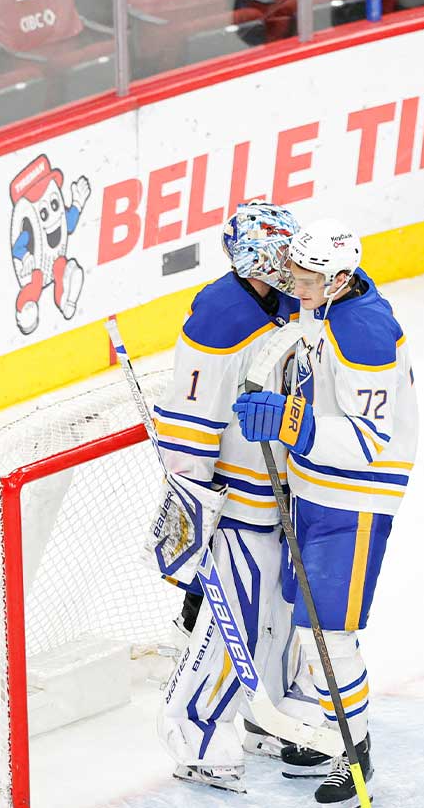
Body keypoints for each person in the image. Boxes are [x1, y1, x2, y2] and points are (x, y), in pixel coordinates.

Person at [232, 219, 419, 806]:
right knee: (312, 627)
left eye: (307, 278)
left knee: (329, 635)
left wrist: (292, 422)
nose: (296, 285)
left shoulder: (364, 333)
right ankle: (334, 730)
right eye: (296, 272)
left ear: (338, 279)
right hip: (315, 489)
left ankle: (354, 752)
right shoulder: (330, 302)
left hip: (354, 501)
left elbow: (371, 440)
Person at [154, 201, 309, 793]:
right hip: (236, 500)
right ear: (259, 259)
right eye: (284, 253)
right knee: (231, 625)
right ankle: (194, 735)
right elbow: (191, 425)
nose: (294, 262)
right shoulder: (219, 316)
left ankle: (260, 715)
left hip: (281, 492)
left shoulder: (284, 301)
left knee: (276, 617)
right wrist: (195, 506)